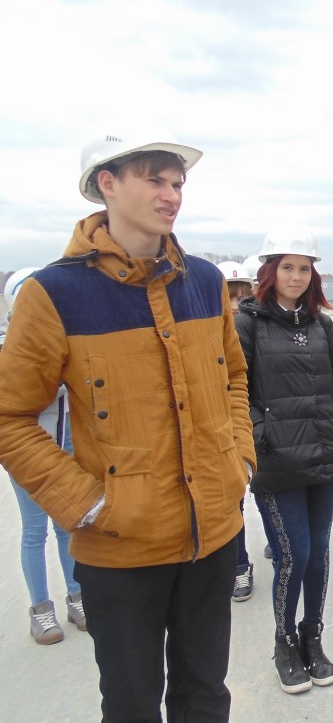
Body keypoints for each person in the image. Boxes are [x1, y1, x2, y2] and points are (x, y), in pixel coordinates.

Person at [0, 132, 256, 722]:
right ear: (107, 184)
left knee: (205, 696)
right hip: (120, 550)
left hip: (213, 536)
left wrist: (239, 458)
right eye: (154, 180)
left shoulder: (204, 282)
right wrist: (86, 503)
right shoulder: (54, 294)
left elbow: (236, 379)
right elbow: (11, 417)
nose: (172, 195)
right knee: (131, 704)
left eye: (178, 183)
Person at [235, 227, 333, 694]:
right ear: (269, 271)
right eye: (287, 267)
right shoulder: (247, 323)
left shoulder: (321, 325)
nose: (296, 276)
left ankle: (313, 637)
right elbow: (235, 389)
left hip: (325, 450)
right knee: (294, 555)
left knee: (319, 553)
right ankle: (284, 642)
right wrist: (260, 434)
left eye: (304, 268)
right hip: (277, 458)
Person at [1, 270, 86, 644]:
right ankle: (40, 608)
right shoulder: (7, 346)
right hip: (25, 448)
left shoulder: (63, 337)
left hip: (65, 440)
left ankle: (77, 596)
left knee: (68, 523)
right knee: (34, 530)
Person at [218, 260, 259, 602]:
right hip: (225, 428)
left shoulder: (259, 327)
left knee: (269, 489)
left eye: (242, 297)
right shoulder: (205, 335)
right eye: (228, 297)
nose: (235, 306)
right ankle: (238, 565)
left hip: (259, 423)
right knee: (235, 501)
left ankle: (278, 542)